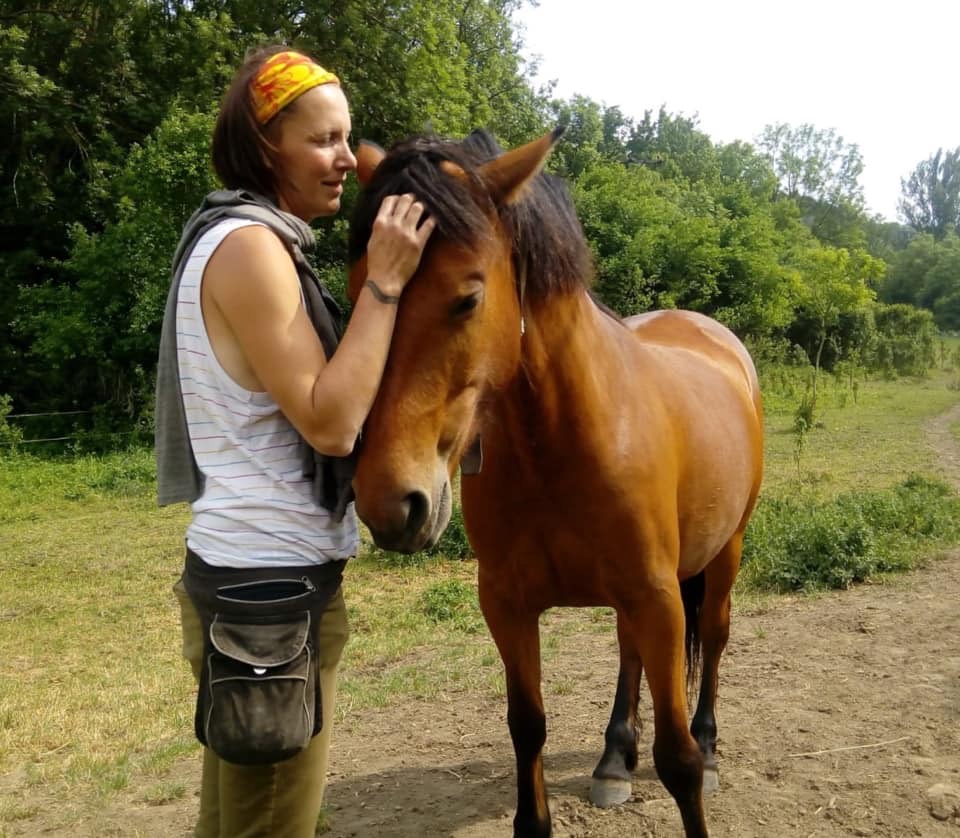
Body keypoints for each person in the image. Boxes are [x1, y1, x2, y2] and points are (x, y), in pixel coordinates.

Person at [154, 46, 434, 837]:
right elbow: (330, 421)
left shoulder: (241, 237)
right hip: (270, 597)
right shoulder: (250, 247)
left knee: (230, 824)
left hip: (253, 586)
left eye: (346, 137)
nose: (346, 158)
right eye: (323, 139)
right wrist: (386, 282)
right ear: (265, 145)